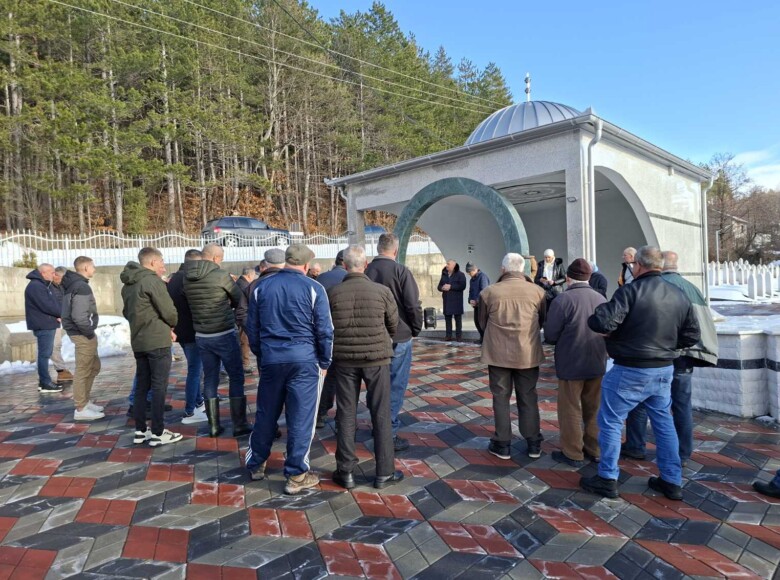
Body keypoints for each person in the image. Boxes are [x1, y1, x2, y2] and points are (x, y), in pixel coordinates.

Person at [581, 246, 700, 501]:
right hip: (663, 369)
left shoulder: (631, 291)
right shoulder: (678, 294)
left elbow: (601, 322)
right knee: (663, 422)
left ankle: (607, 478)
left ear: (639, 265)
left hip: (631, 368)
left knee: (611, 422)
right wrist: (666, 346)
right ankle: (671, 480)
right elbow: (692, 335)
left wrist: (615, 334)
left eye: (633, 264)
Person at [244, 244, 333, 495]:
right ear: (305, 266)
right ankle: (296, 474)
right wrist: (325, 362)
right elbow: (325, 330)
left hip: (272, 359)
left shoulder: (261, 287)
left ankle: (256, 463)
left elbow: (253, 327)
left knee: (266, 412)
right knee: (302, 418)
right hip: (305, 360)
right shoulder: (315, 288)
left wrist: (262, 354)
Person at [622, 250, 718, 467]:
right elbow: (698, 329)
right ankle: (682, 453)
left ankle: (636, 445)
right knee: (681, 405)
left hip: (658, 356)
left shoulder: (657, 287)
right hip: (685, 357)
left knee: (640, 402)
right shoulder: (692, 289)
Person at [329, 245, 403, 490]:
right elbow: (393, 324)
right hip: (377, 358)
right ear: (366, 264)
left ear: (344, 265)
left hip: (345, 360)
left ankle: (346, 471)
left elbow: (327, 327)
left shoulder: (333, 292)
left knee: (346, 414)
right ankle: (384, 472)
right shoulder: (381, 291)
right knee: (380, 413)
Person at [479, 253, 546, 459]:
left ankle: (503, 443)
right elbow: (542, 320)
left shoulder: (489, 292)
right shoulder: (538, 291)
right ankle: (533, 442)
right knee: (528, 396)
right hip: (527, 352)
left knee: (500, 397)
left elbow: (481, 323)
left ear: (503, 269)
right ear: (522, 269)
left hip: (498, 353)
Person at [543, 259, 607, 467]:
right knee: (594, 407)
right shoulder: (600, 299)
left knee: (570, 407)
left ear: (568, 277)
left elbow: (551, 334)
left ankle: (573, 452)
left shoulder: (563, 299)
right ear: (589, 277)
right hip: (597, 360)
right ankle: (594, 448)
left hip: (571, 362)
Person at [183, 243, 250, 438]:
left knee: (210, 378)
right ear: (215, 258)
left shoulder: (187, 277)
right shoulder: (221, 275)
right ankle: (239, 424)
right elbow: (238, 299)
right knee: (236, 376)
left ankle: (213, 426)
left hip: (202, 335)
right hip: (224, 332)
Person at [366, 233, 423, 452]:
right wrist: (415, 328)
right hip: (399, 335)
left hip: (372, 335)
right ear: (396, 250)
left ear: (379, 247)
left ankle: (378, 424)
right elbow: (412, 304)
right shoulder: (401, 271)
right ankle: (388, 430)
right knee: (396, 384)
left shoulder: (366, 271)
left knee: (377, 384)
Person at [121, 248, 183, 447]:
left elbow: (126, 311)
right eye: (161, 261)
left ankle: (141, 430)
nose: (162, 264)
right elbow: (168, 311)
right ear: (153, 262)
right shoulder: (152, 281)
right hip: (156, 340)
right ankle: (158, 431)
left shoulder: (128, 284)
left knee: (142, 386)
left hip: (139, 340)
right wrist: (171, 324)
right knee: (158, 386)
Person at [61, 256, 104, 421]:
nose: (94, 269)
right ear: (85, 268)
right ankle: (80, 408)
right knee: (83, 370)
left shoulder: (76, 284)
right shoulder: (81, 287)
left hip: (80, 333)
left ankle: (84, 402)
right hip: (82, 334)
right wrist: (89, 333)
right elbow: (79, 316)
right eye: (92, 266)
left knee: (94, 367)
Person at [167, 249, 206, 424]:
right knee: (195, 370)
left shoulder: (174, 278)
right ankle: (190, 411)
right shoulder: (188, 279)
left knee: (195, 368)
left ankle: (198, 401)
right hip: (192, 331)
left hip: (182, 330)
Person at [315, 249, 347, 428]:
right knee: (347, 379)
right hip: (346, 335)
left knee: (326, 376)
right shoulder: (349, 279)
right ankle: (343, 418)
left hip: (324, 333)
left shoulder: (322, 279)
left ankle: (320, 413)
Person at [24, 263, 64, 393]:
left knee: (45, 353)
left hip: (46, 322)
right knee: (44, 354)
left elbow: (51, 303)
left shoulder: (41, 285)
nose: (54, 275)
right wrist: (61, 314)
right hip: (44, 324)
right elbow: (47, 305)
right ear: (43, 273)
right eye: (52, 272)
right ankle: (45, 382)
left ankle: (44, 382)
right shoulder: (36, 286)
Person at [51, 267, 73, 385]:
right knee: (54, 345)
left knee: (56, 345)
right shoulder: (49, 287)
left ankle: (61, 371)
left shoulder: (61, 286)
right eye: (60, 277)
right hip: (51, 320)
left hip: (58, 319)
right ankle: (61, 370)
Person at [437, 260, 467, 341]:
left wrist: (451, 286)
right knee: (447, 319)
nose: (446, 265)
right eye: (447, 264)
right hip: (447, 300)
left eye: (448, 264)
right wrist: (442, 288)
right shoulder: (444, 274)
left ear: (454, 266)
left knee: (458, 319)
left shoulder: (460, 275)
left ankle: (458, 336)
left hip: (456, 301)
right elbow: (439, 286)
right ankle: (448, 335)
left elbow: (462, 286)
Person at [236, 266, 258, 374]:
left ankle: (244, 363)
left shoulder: (240, 283)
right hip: (243, 318)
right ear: (250, 275)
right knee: (244, 342)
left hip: (241, 317)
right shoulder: (244, 285)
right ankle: (245, 364)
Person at [466, 262, 490, 343]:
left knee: (482, 322)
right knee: (477, 322)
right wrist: (470, 300)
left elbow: (484, 291)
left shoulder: (482, 277)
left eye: (470, 272)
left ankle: (485, 340)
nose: (469, 274)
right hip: (476, 305)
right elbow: (470, 291)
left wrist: (477, 301)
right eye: (468, 273)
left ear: (475, 269)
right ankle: (482, 338)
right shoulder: (471, 280)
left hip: (483, 305)